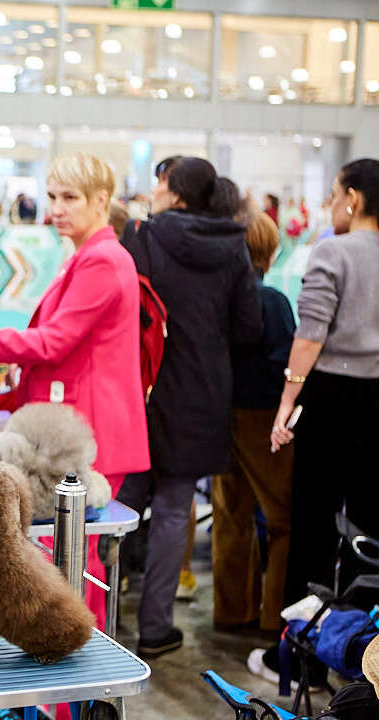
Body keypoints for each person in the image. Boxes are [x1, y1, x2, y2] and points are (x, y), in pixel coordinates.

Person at [0, 152, 149, 631]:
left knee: (78, 561)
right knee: (70, 556)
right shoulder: (89, 257)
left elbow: (54, 343)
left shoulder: (103, 261)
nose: (57, 208)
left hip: (87, 432)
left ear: (101, 201)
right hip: (73, 426)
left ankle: (74, 673)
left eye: (69, 198)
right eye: (53, 197)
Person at [116, 156, 261, 658]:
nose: (153, 190)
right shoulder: (234, 243)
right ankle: (155, 630)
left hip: (145, 387)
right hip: (203, 393)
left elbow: (126, 313)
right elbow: (248, 327)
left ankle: (98, 620)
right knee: (176, 509)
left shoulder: (145, 236)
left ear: (175, 193)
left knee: (122, 505)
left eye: (160, 182)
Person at [272, 158, 379, 606]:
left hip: (332, 395)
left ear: (352, 198)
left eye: (335, 194)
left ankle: (301, 656)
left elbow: (310, 334)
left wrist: (287, 399)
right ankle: (359, 652)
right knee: (370, 527)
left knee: (314, 522)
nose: (332, 205)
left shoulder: (333, 250)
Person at [211, 211, 295, 634]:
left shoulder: (217, 299)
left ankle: (230, 612)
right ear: (269, 249)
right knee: (283, 520)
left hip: (221, 416)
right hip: (264, 419)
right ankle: (273, 618)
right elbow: (286, 361)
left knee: (230, 516)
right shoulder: (274, 301)